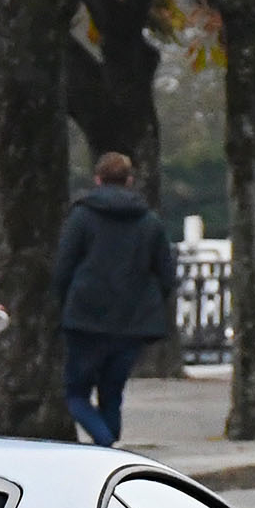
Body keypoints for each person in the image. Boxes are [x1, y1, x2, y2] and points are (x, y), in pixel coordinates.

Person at [52, 151, 177, 447]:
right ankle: (109, 444)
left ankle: (106, 442)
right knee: (112, 393)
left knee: (75, 393)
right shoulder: (150, 222)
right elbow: (166, 273)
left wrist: (65, 302)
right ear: (129, 181)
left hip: (85, 319)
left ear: (97, 179)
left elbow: (63, 267)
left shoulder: (82, 216)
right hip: (132, 324)